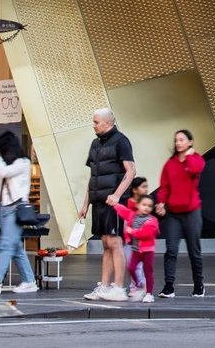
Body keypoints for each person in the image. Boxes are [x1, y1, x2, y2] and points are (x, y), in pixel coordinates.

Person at [78, 108, 135, 301]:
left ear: (107, 123)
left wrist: (117, 195)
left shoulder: (121, 141)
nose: (93, 125)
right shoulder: (95, 144)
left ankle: (118, 288)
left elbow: (131, 171)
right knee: (105, 244)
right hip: (98, 202)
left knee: (115, 242)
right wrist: (85, 205)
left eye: (96, 122)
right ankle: (104, 286)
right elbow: (92, 176)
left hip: (114, 203)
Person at [0, 131, 38, 294]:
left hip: (14, 209)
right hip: (6, 209)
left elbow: (4, 172)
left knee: (6, 244)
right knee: (16, 247)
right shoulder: (10, 163)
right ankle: (29, 281)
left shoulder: (22, 162)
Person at [157, 129, 206, 298]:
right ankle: (169, 286)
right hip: (173, 214)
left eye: (182, 140)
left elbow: (195, 170)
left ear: (190, 142)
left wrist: (190, 156)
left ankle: (198, 284)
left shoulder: (196, 159)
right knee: (171, 250)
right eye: (176, 140)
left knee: (194, 251)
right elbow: (164, 187)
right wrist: (161, 202)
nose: (178, 143)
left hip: (192, 212)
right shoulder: (170, 164)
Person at [109, 193, 160, 302]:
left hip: (147, 251)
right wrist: (115, 204)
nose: (146, 208)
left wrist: (132, 231)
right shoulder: (133, 215)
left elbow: (146, 233)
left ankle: (149, 294)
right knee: (131, 268)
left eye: (149, 206)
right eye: (144, 205)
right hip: (136, 250)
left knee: (148, 272)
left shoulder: (152, 220)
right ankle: (138, 284)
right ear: (138, 205)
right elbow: (123, 211)